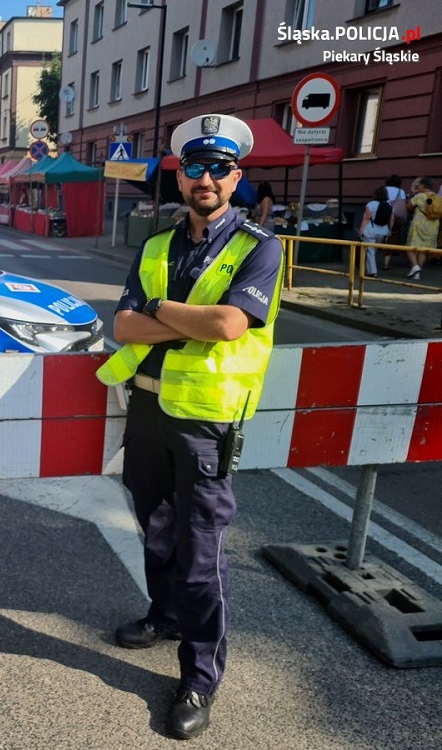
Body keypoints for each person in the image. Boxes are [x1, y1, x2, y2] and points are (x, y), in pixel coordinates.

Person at [95, 113, 284, 741]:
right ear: (181, 175)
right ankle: (166, 615)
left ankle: (200, 677)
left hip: (205, 423)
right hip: (146, 412)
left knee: (201, 558)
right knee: (154, 531)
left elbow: (231, 325)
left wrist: (155, 311)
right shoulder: (154, 245)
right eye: (193, 167)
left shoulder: (258, 246)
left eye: (218, 168)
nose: (205, 178)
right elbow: (121, 328)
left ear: (237, 177)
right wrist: (185, 319)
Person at [405, 176, 440, 280]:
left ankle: (415, 267)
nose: (418, 187)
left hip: (419, 225)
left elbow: (408, 207)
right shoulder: (436, 197)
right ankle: (417, 273)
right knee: (422, 250)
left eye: (419, 185)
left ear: (423, 186)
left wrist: (413, 193)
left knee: (410, 247)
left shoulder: (420, 196)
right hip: (433, 227)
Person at [358, 185, 393, 277]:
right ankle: (370, 269)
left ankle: (373, 271)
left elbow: (367, 218)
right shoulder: (389, 205)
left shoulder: (371, 204)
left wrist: (361, 230)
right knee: (374, 250)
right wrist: (390, 230)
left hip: (371, 230)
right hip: (383, 231)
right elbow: (391, 219)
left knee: (370, 251)